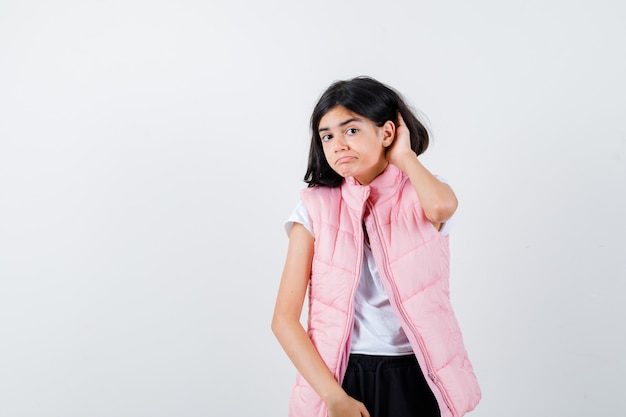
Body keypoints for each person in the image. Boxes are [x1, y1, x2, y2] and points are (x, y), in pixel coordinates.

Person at [271, 76, 481, 417]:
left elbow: (443, 208)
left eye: (351, 130)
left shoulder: (423, 192)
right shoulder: (313, 208)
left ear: (387, 132)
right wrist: (334, 396)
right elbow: (283, 319)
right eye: (327, 135)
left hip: (417, 372)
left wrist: (405, 157)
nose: (338, 144)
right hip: (340, 374)